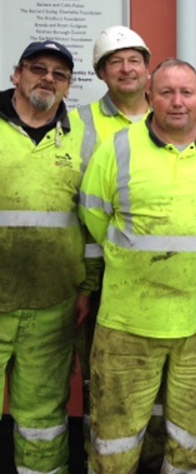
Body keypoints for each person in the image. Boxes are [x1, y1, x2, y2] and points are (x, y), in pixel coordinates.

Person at [78, 58, 196, 473]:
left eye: (186, 92)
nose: (177, 102)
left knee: (191, 437)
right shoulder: (118, 149)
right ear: (150, 97)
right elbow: (95, 218)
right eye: (166, 93)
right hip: (128, 322)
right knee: (115, 438)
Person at [0, 40, 96, 473]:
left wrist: (87, 288)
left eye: (59, 74)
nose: (48, 79)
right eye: (38, 68)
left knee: (42, 420)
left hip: (52, 305)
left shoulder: (79, 138)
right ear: (16, 75)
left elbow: (90, 220)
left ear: (69, 86)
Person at [71, 24, 160, 469]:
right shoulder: (82, 123)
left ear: (148, 69)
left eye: (134, 60)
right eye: (115, 62)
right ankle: (103, 457)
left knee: (163, 378)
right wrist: (89, 281)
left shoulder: (172, 113)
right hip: (107, 274)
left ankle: (154, 456)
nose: (126, 69)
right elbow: (85, 213)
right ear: (101, 73)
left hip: (168, 277)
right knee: (106, 380)